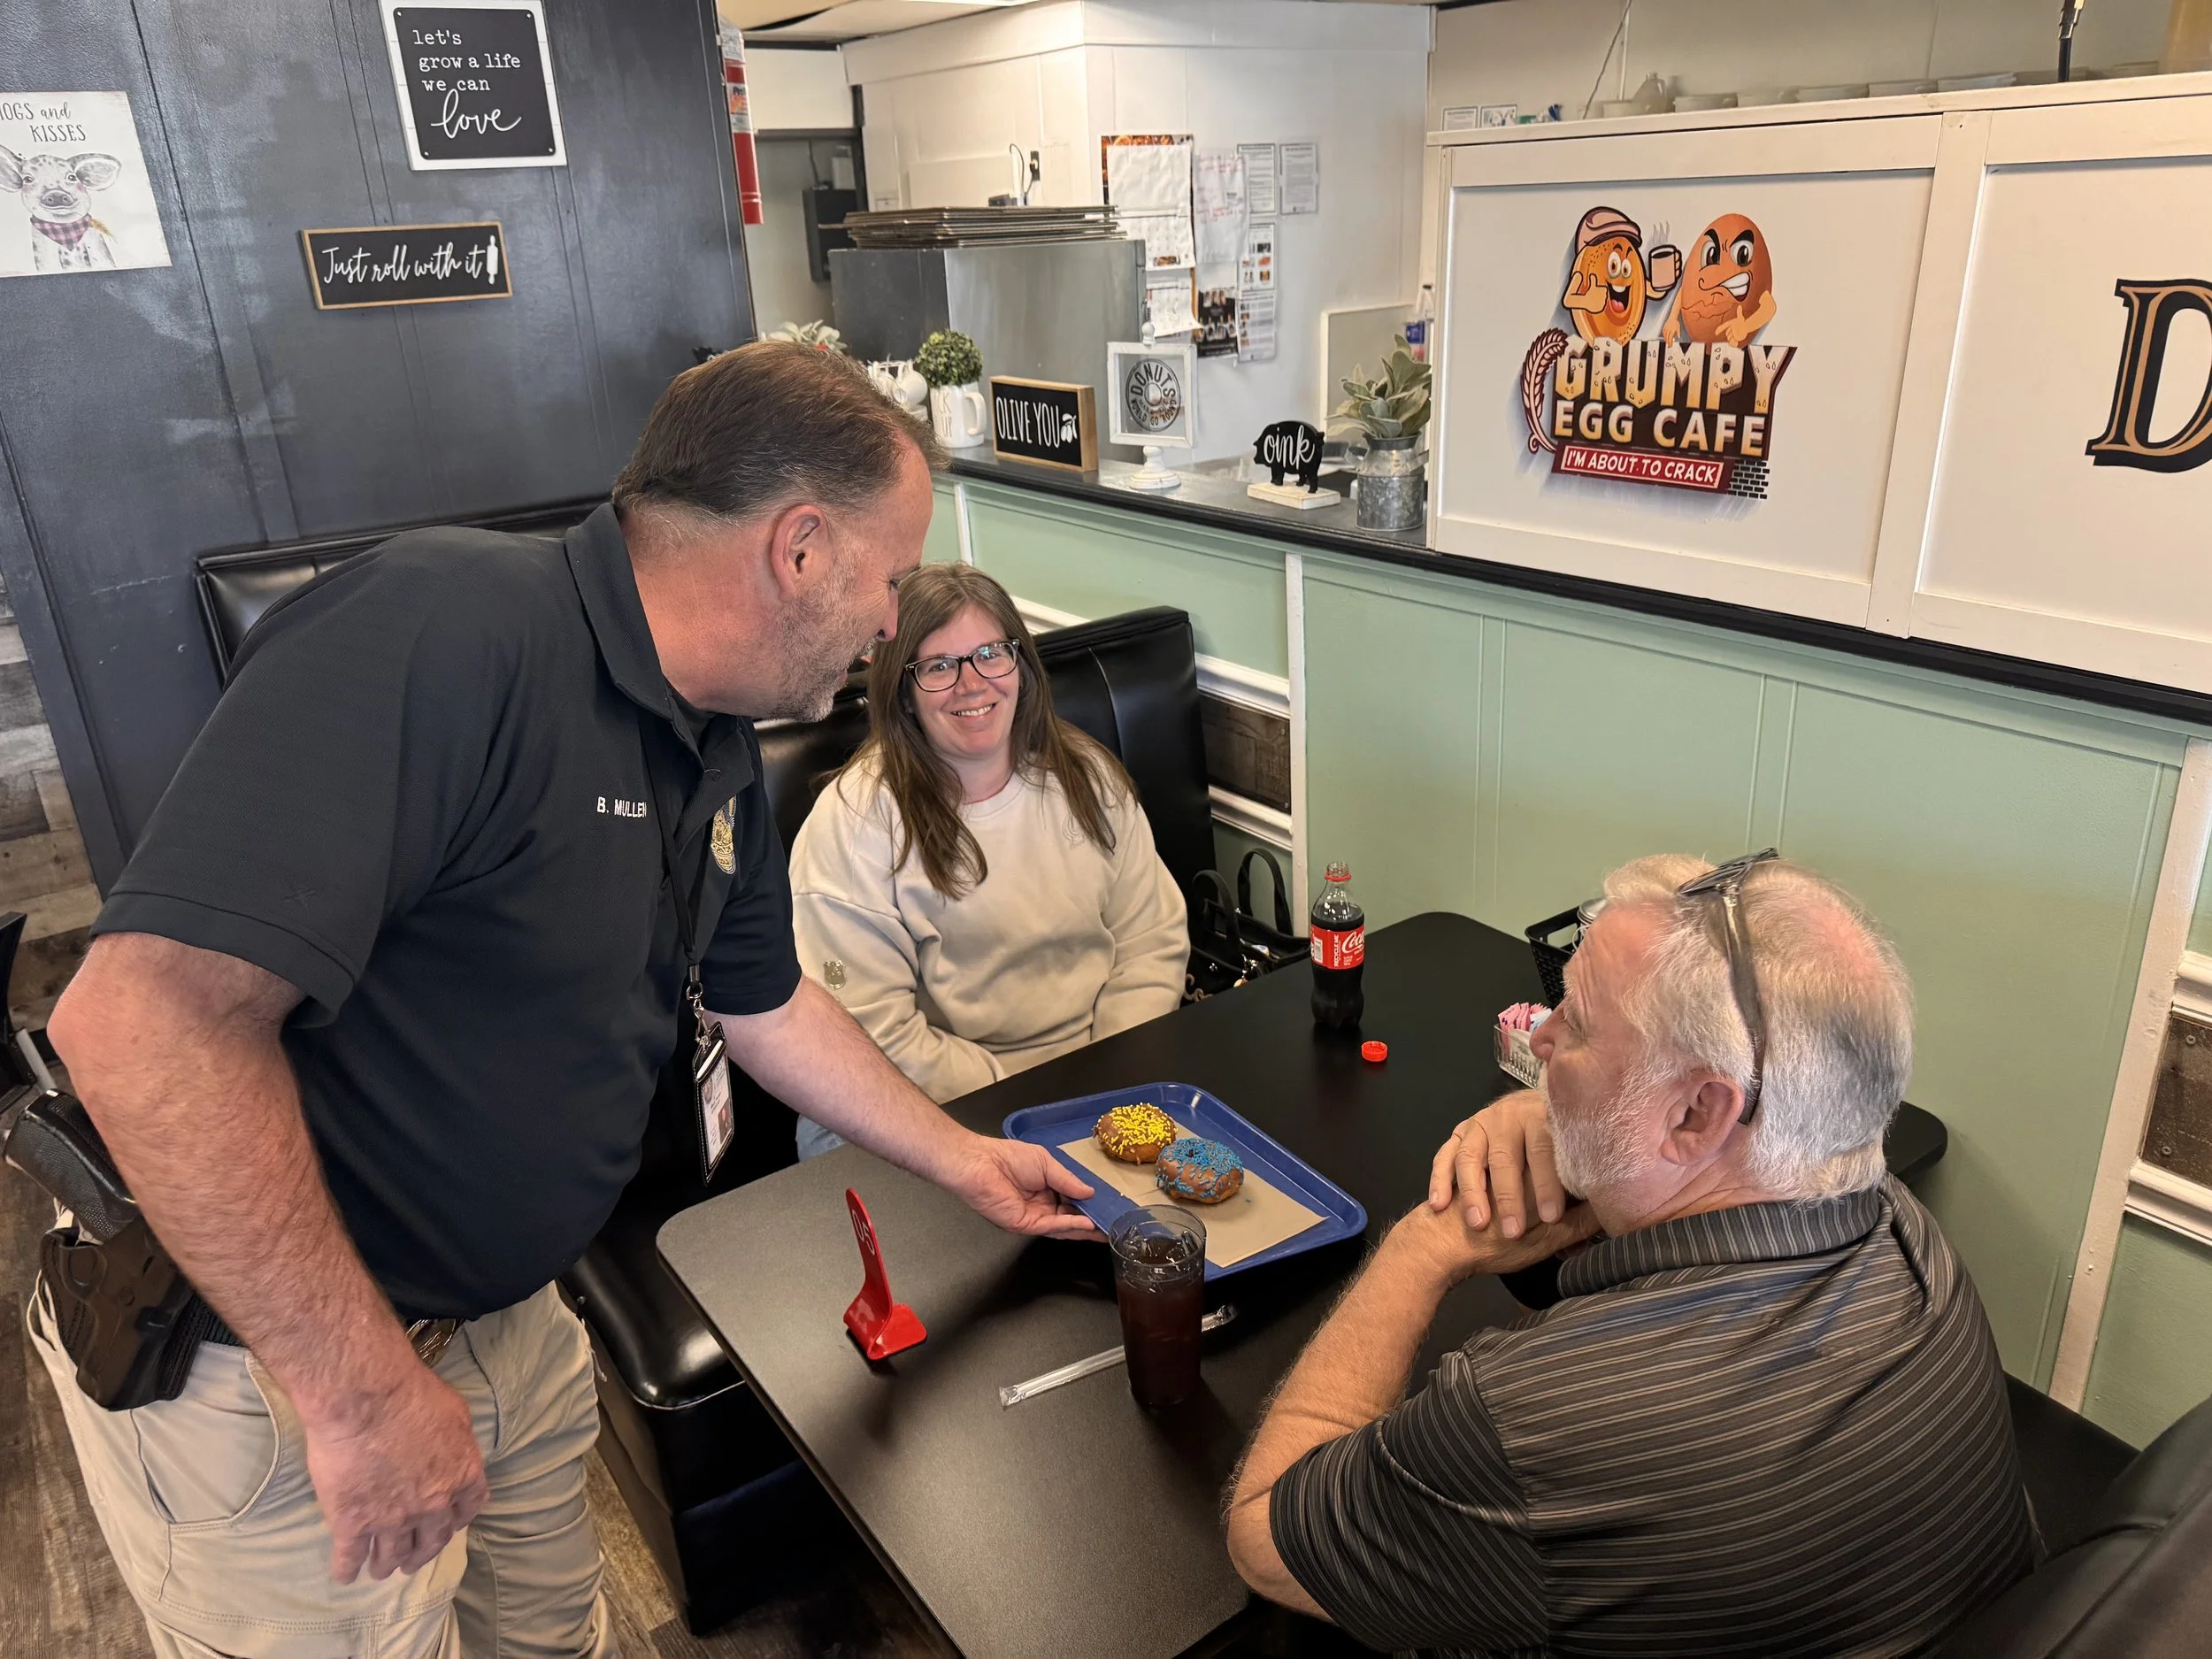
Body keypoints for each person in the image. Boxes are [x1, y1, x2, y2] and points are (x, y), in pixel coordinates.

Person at [35, 342, 1096, 1658]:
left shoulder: (714, 732)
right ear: (802, 548)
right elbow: (139, 1022)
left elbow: (767, 1007)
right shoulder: (441, 627)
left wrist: (967, 1162)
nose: (893, 624)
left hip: (515, 1323)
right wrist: (361, 1394)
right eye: (888, 582)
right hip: (277, 1365)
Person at [1225, 852, 2032, 1657]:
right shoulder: (1910, 1239)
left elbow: (1263, 1533)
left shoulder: (1526, 1424)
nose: (1539, 1038)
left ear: (1694, 1114)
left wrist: (1422, 1246)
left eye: (1572, 1022)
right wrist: (1593, 1134)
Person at [788, 562, 1186, 1156]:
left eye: (991, 653)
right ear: (901, 687)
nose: (972, 684)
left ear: (1020, 664)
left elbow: (1150, 938)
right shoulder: (853, 822)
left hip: (1098, 1081)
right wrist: (1020, 1104)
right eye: (939, 666)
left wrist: (1110, 1076)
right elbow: (868, 1028)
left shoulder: (1086, 775)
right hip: (926, 1105)